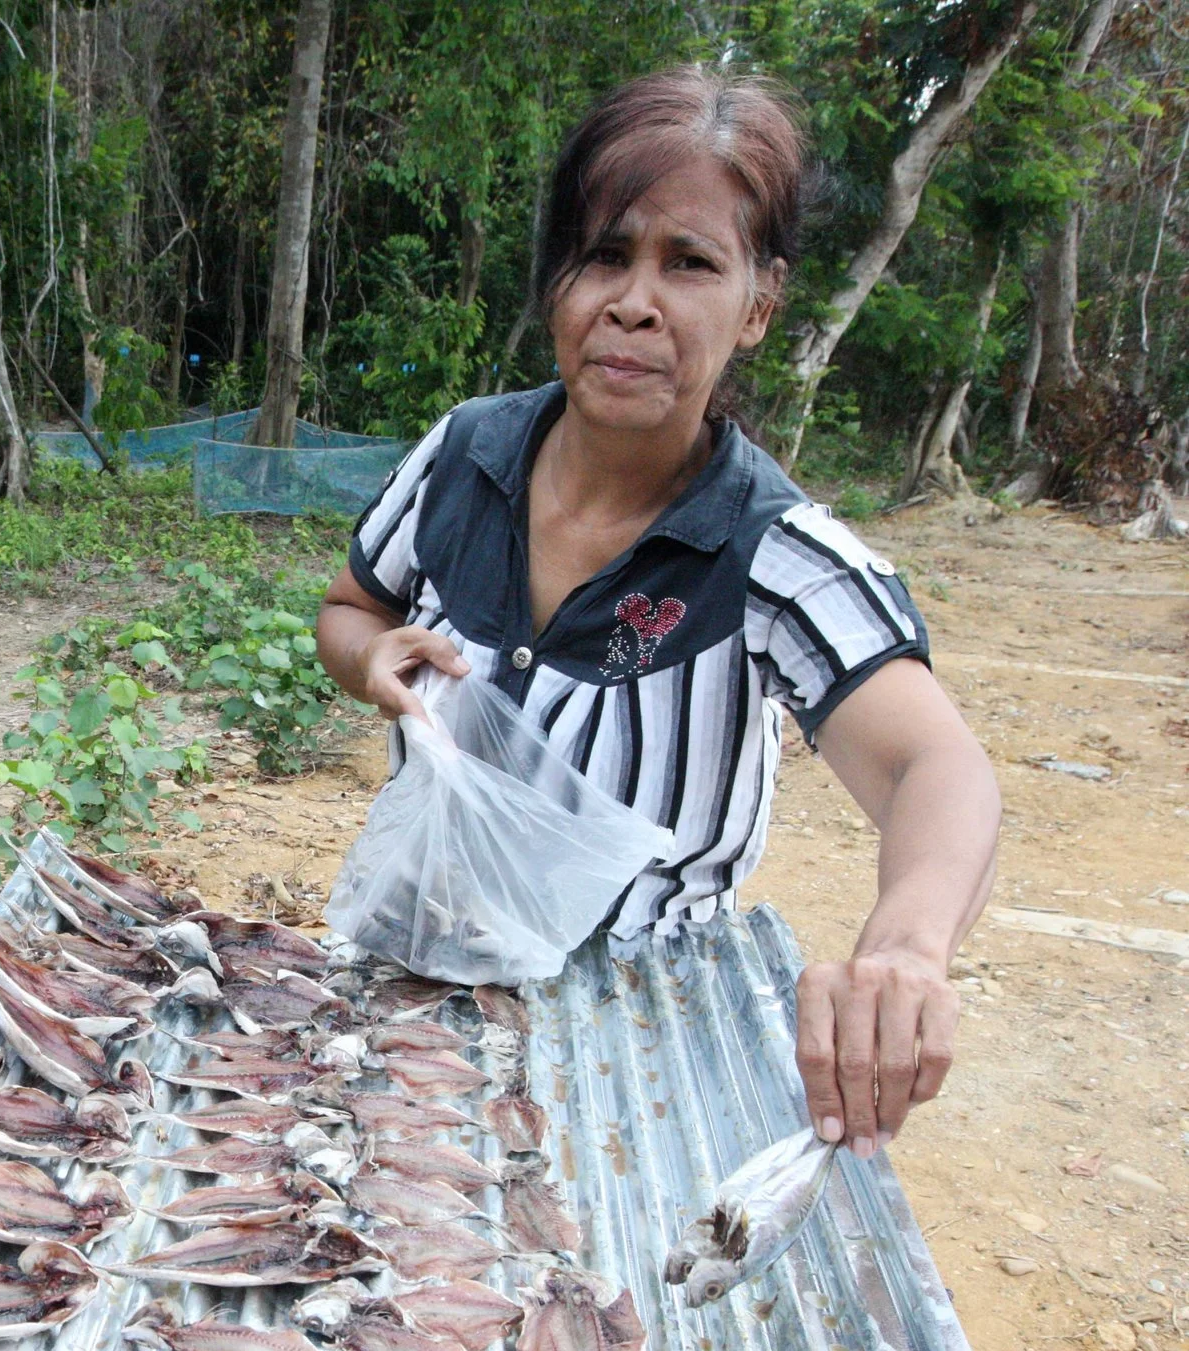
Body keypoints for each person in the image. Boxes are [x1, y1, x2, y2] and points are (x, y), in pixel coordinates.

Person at [316, 67, 1000, 1160]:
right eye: (604, 254)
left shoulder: (769, 552)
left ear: (759, 305)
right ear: (557, 285)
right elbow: (350, 610)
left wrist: (908, 949)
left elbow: (939, 771)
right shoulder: (463, 457)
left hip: (630, 1033)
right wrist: (369, 660)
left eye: (689, 263)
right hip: (415, 987)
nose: (633, 301)